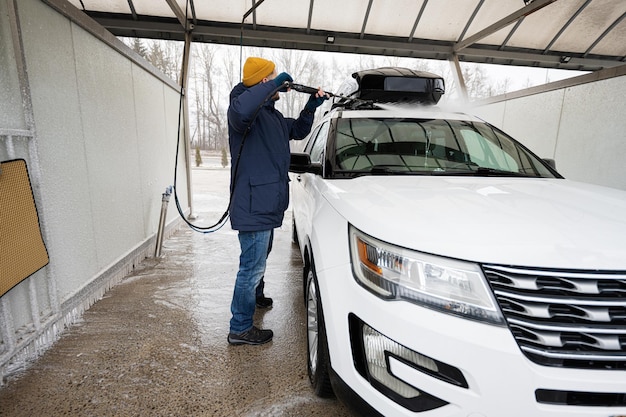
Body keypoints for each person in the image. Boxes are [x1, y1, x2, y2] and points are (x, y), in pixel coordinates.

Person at [226, 57, 328, 345]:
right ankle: (241, 327)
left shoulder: (270, 116)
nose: (279, 87)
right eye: (271, 80)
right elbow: (245, 106)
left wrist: (310, 108)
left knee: (258, 259)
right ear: (262, 82)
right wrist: (274, 81)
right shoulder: (242, 112)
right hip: (253, 203)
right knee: (251, 266)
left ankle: (255, 297)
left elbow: (297, 130)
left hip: (266, 203)